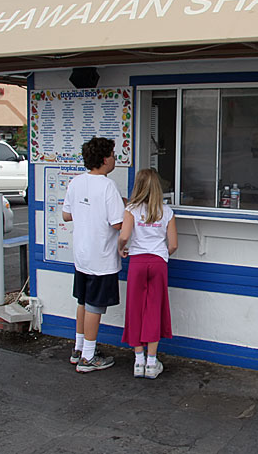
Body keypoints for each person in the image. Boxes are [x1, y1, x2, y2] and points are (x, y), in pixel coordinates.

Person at [62, 137, 125, 373]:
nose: (115, 157)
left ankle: (79, 348)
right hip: (102, 256)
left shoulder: (76, 182)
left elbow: (67, 215)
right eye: (113, 153)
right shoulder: (108, 186)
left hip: (82, 254)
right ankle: (88, 357)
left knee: (83, 301)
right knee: (95, 307)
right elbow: (118, 223)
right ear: (105, 159)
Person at [118, 168, 178, 379]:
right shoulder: (166, 211)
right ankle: (152, 363)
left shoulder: (131, 209)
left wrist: (121, 247)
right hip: (158, 262)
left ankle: (138, 360)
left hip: (137, 261)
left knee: (135, 309)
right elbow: (173, 245)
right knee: (154, 310)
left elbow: (124, 235)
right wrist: (161, 253)